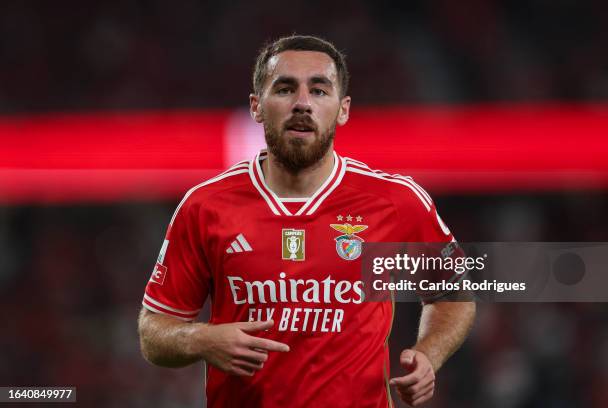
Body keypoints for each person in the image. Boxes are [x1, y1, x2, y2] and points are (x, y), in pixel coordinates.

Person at [138, 35, 476, 407]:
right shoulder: (205, 206)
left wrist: (428, 354)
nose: (302, 103)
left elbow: (454, 295)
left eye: (319, 90)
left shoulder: (394, 202)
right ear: (257, 107)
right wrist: (202, 340)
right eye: (284, 89)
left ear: (343, 109)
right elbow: (153, 333)